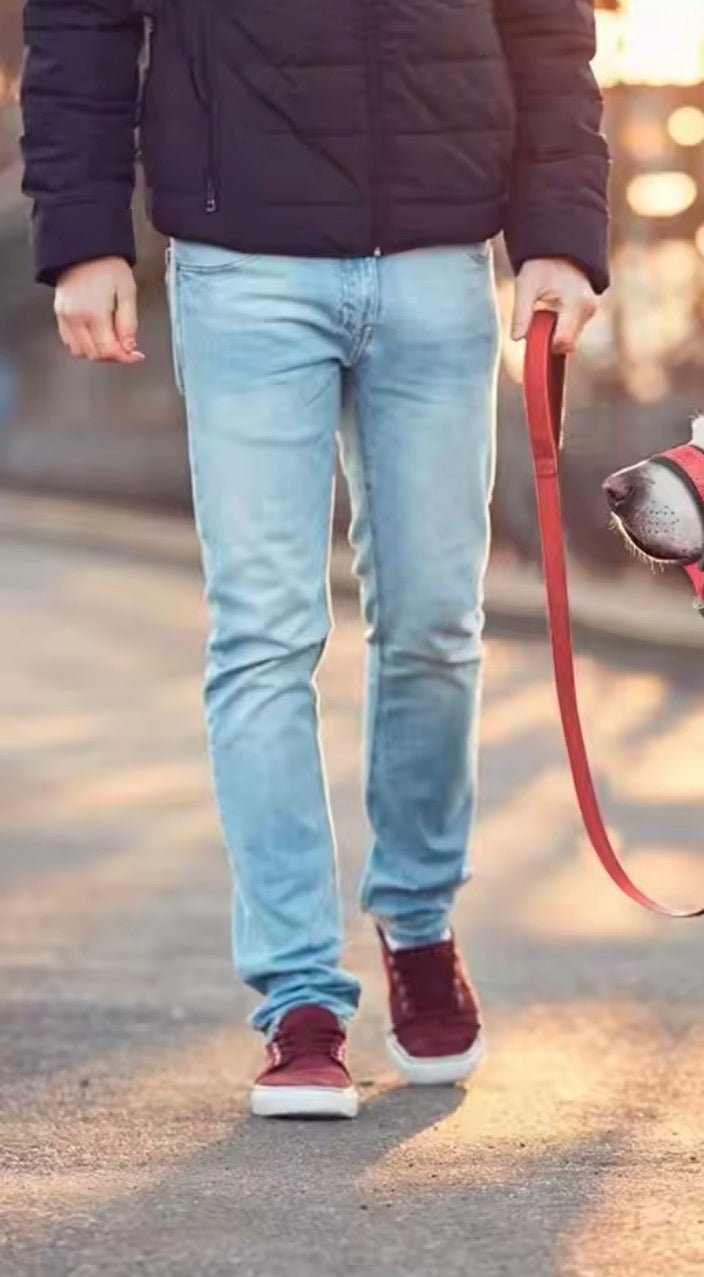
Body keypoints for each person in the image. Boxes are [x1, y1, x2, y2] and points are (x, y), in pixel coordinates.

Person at [20, 0, 608, 1120]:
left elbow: (547, 29)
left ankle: (419, 924)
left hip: (440, 264)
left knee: (437, 624)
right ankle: (298, 997)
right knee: (264, 633)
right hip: (242, 267)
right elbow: (82, 22)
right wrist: (84, 233)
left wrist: (562, 234)